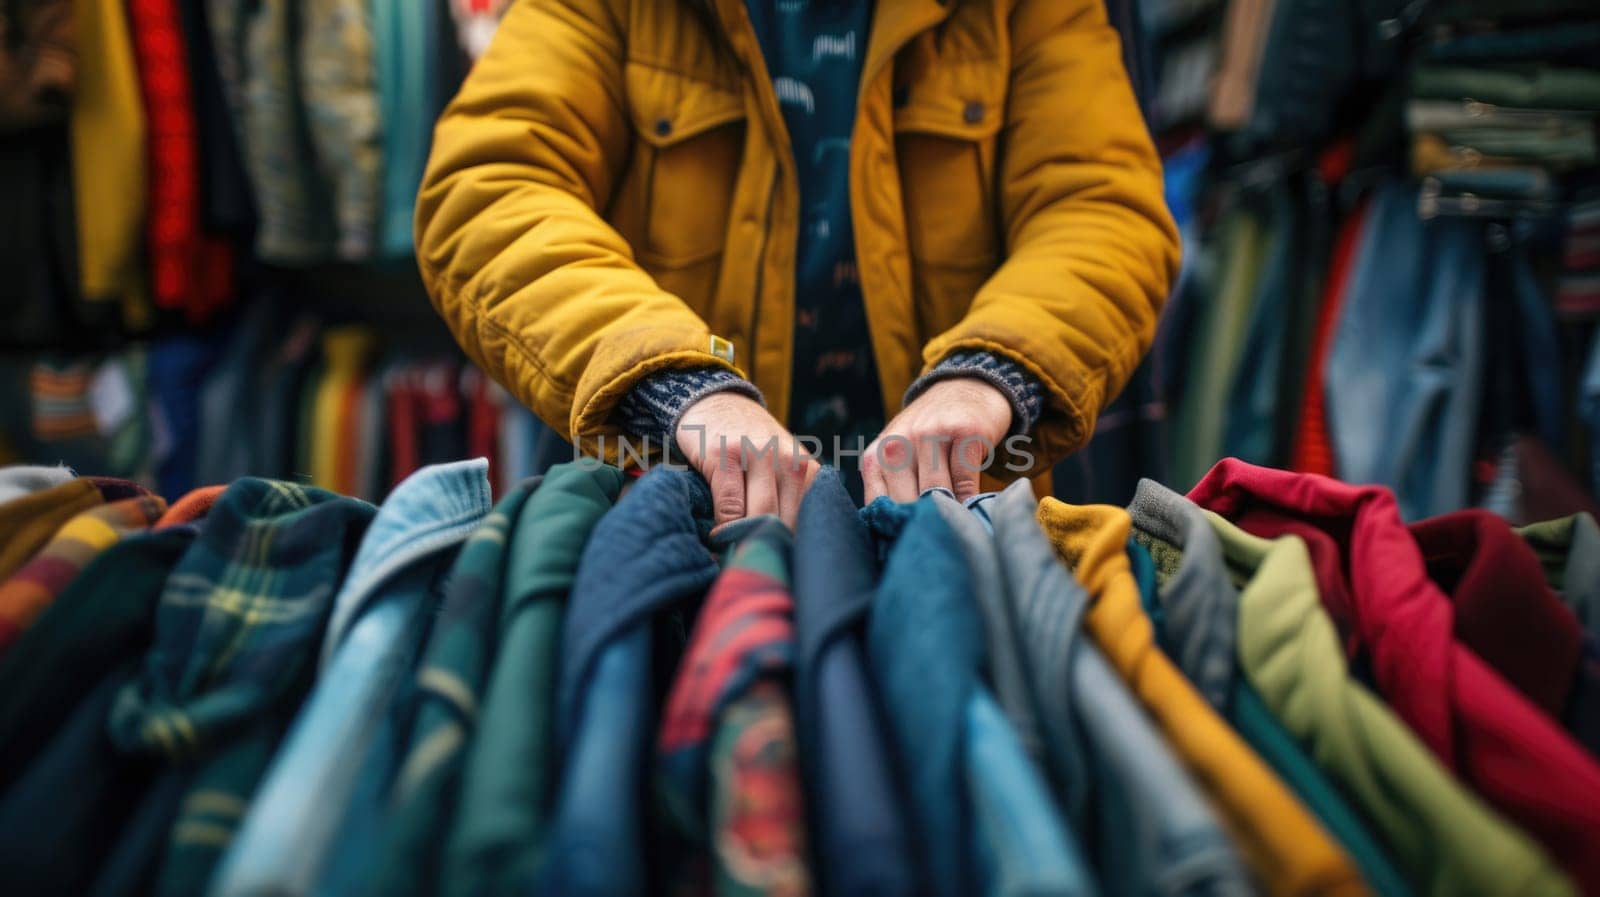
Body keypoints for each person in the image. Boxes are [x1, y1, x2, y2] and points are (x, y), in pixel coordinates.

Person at [416, 0, 1178, 526]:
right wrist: (676, 385)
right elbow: (493, 186)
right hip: (675, 524)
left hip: (966, 518)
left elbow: (1098, 206)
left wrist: (989, 376)